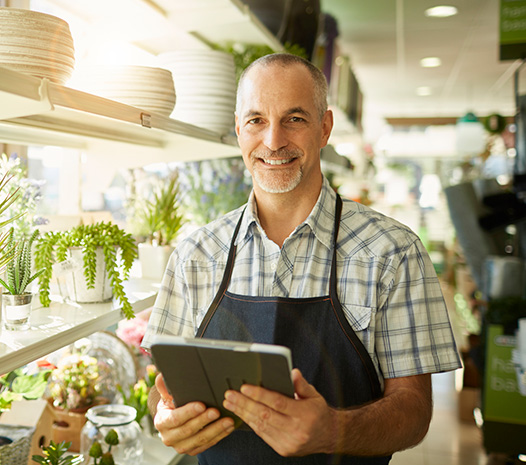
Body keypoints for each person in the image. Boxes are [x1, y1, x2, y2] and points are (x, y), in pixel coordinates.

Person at [139, 53, 461, 464]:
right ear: (239, 130)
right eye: (256, 120)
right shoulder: (194, 254)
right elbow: (160, 388)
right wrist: (166, 414)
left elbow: (414, 413)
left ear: (324, 128)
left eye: (294, 119)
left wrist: (332, 431)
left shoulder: (393, 253)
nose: (273, 141)